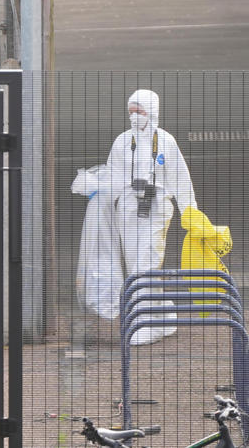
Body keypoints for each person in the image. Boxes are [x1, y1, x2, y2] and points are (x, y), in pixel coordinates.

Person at [106, 89, 197, 345]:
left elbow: (181, 179)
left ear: (152, 111)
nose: (134, 117)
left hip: (156, 209)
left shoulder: (165, 141)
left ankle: (147, 322)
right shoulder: (122, 141)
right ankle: (164, 312)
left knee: (146, 264)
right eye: (131, 112)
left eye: (139, 111)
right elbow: (112, 175)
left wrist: (190, 213)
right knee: (136, 264)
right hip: (128, 210)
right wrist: (100, 194)